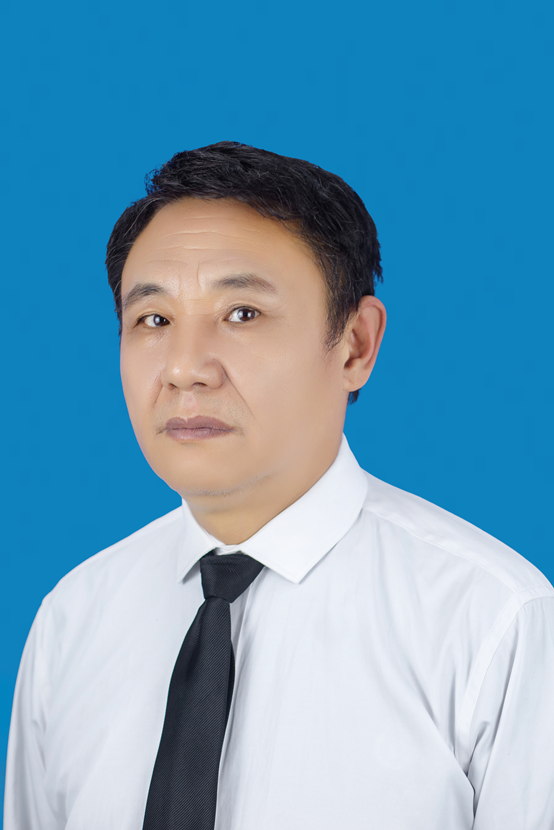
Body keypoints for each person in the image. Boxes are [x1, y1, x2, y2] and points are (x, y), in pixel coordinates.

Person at [4, 141, 554, 830]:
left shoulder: (493, 624)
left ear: (355, 344)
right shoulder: (72, 621)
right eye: (154, 320)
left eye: (242, 313)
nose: (184, 368)